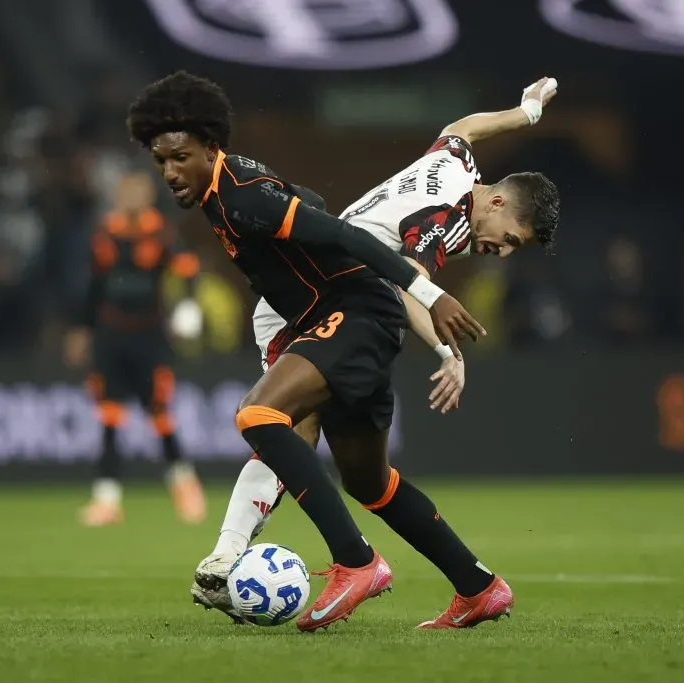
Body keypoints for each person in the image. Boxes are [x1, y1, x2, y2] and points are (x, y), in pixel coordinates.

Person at [127, 71, 557, 631]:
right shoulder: (441, 219)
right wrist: (443, 339)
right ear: (497, 200)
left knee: (268, 419)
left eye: (178, 158)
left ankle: (340, 561)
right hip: (324, 296)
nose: (500, 252)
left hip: (340, 300)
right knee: (354, 473)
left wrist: (524, 114)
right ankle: (477, 587)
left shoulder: (451, 178)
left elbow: (459, 135)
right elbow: (401, 274)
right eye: (511, 238)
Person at [65, 172, 207, 526]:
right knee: (109, 415)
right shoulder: (105, 232)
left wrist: (188, 306)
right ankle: (107, 499)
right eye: (124, 190)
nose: (129, 197)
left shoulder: (160, 230)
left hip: (148, 335)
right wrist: (82, 329)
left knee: (158, 412)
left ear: (146, 196)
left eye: (136, 191)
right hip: (111, 335)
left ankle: (184, 483)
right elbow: (94, 286)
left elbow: (188, 270)